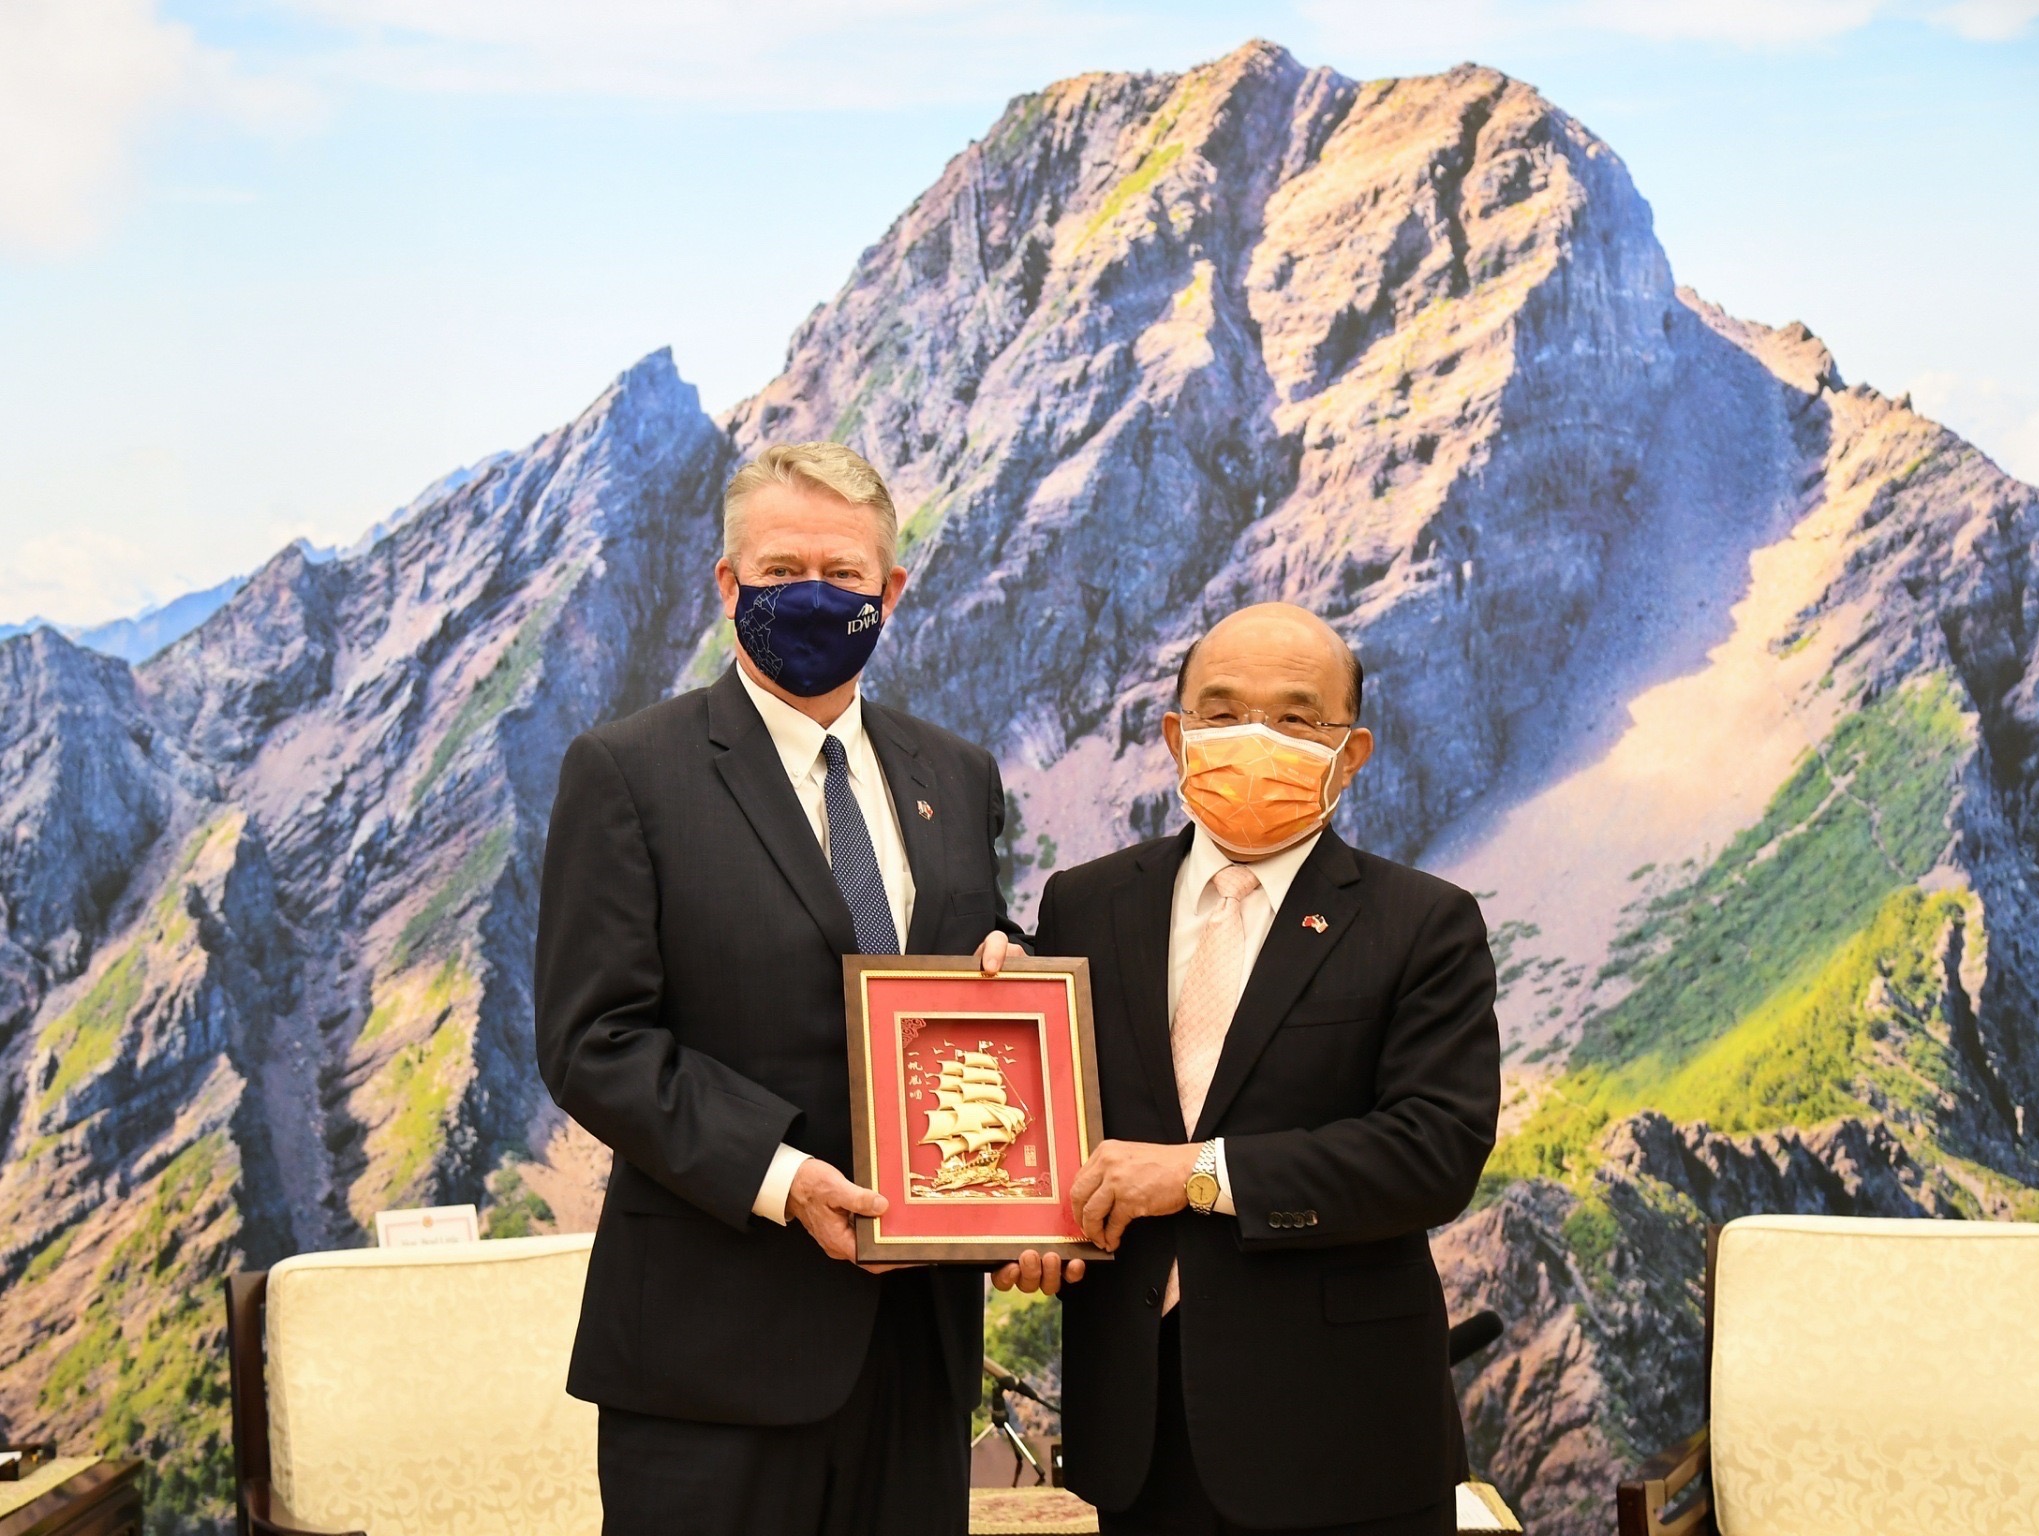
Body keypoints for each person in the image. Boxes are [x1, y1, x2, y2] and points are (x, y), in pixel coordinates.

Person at [535, 442, 1026, 1536]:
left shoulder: (955, 773)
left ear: (891, 591)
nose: (812, 595)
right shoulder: (627, 772)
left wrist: (1010, 966)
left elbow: (969, 960)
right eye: (780, 570)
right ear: (728, 585)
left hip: (918, 1350)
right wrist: (785, 1177)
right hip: (711, 1359)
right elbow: (592, 1042)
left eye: (843, 574)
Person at [1000, 602, 1501, 1536]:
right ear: (1175, 735)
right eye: (1223, 712)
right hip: (1141, 1431)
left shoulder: (1423, 923)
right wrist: (1027, 1222)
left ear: (1350, 752)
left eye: (1296, 719)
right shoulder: (1085, 904)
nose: (1254, 740)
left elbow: (1433, 1152)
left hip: (1345, 1442)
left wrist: (1195, 1175)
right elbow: (1057, 1118)